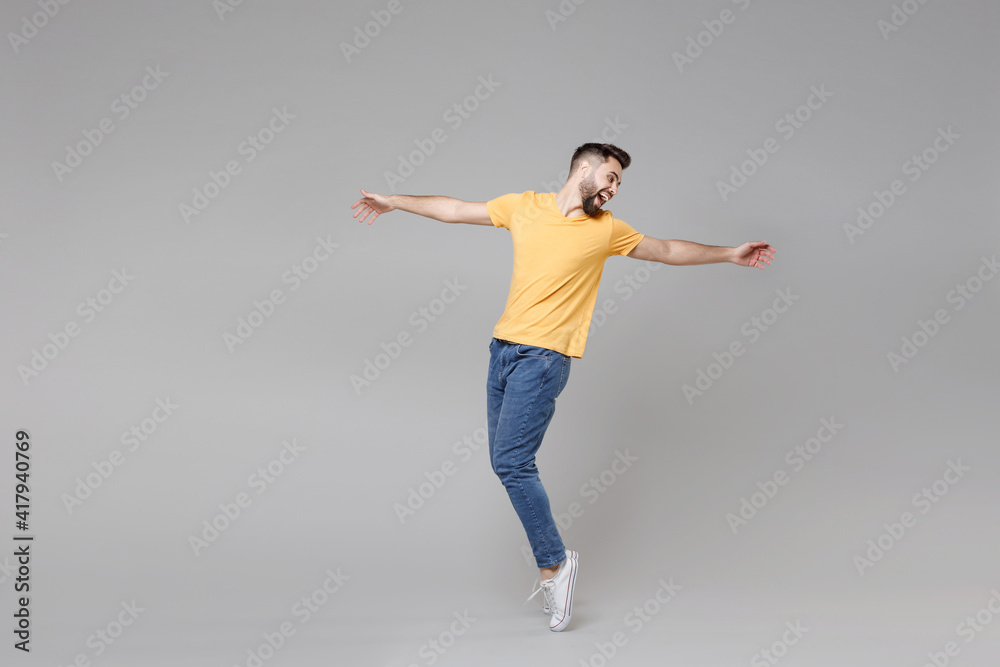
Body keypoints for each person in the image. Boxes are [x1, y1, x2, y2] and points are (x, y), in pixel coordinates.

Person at [351, 143, 776, 632]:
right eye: (612, 177)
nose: (615, 188)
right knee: (503, 462)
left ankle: (555, 564)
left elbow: (666, 251)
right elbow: (454, 208)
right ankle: (555, 562)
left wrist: (729, 254)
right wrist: (394, 201)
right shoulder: (523, 206)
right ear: (584, 169)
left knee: (512, 462)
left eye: (619, 183)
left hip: (544, 359)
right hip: (503, 351)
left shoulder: (607, 230)